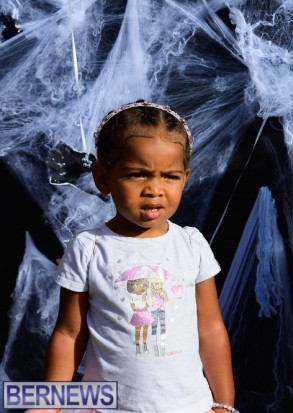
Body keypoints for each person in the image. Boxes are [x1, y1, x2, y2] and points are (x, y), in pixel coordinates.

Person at [28, 100, 237, 413]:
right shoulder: (88, 248)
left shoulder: (191, 245)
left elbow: (210, 329)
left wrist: (224, 404)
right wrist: (46, 406)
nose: (154, 189)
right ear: (103, 178)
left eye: (170, 176)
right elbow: (69, 334)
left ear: (185, 177)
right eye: (138, 174)